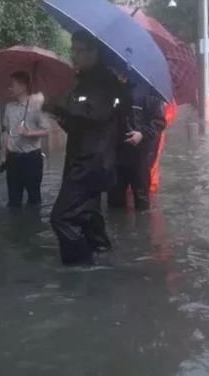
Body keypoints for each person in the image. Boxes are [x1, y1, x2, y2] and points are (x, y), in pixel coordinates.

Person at [45, 31, 129, 265]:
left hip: (91, 162)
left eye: (79, 50)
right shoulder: (84, 79)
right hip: (84, 158)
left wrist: (53, 103)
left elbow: (94, 113)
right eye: (73, 50)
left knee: (61, 218)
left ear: (94, 52)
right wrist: (57, 113)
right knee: (88, 214)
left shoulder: (105, 82)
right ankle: (101, 252)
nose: (75, 55)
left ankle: (81, 267)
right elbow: (80, 124)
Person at [108, 73, 166, 210]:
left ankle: (143, 228)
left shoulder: (149, 91)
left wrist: (142, 134)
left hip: (140, 155)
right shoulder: (112, 88)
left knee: (141, 199)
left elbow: (159, 122)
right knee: (115, 201)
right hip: (116, 154)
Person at [1, 71, 50, 208]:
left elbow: (47, 131)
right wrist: (3, 157)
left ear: (23, 87)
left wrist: (29, 133)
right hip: (13, 158)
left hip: (31, 158)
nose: (10, 88)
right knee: (13, 201)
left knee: (34, 198)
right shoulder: (9, 107)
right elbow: (6, 132)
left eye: (13, 85)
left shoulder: (36, 106)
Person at [150, 100, 178, 193]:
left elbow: (171, 112)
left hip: (156, 132)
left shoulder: (163, 94)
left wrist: (159, 123)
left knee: (153, 162)